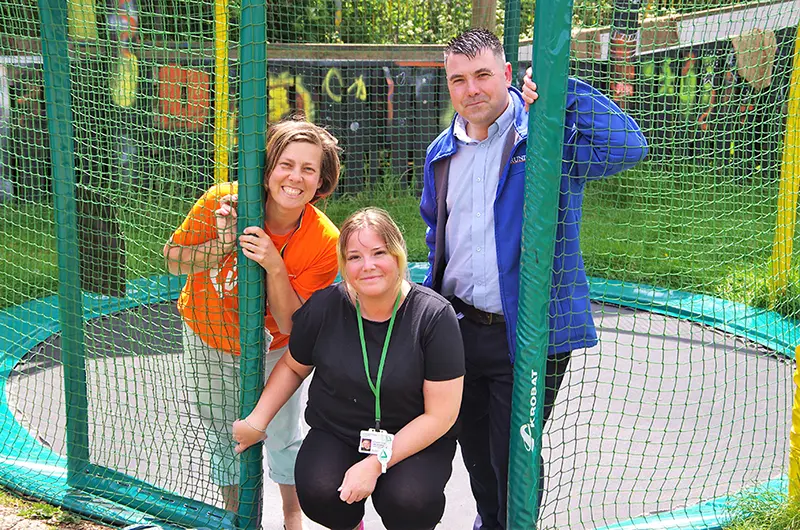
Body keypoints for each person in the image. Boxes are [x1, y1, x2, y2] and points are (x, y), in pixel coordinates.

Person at [420, 28, 649, 529]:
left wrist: (559, 87)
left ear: (506, 75)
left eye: (483, 75)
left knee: (514, 453)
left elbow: (628, 146)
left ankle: (512, 524)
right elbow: (439, 234)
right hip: (459, 331)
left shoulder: (543, 136)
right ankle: (490, 520)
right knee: (475, 449)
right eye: (459, 79)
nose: (472, 89)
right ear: (449, 84)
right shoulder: (440, 153)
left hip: (528, 333)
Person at [232, 207, 465, 530]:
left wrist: (374, 465)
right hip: (341, 430)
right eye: (354, 257)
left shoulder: (434, 317)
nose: (367, 266)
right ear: (344, 265)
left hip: (411, 436)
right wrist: (257, 421)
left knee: (410, 500)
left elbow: (441, 415)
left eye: (378, 253)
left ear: (398, 255)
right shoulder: (326, 306)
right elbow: (293, 366)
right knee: (318, 490)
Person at [163, 118, 342, 530]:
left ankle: (292, 517)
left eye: (308, 170)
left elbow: (292, 326)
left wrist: (273, 265)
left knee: (282, 434)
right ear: (268, 167)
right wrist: (223, 245)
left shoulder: (323, 241)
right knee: (223, 434)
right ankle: (237, 518)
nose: (294, 177)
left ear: (321, 182)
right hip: (208, 335)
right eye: (286, 164)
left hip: (277, 349)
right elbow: (173, 258)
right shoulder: (223, 200)